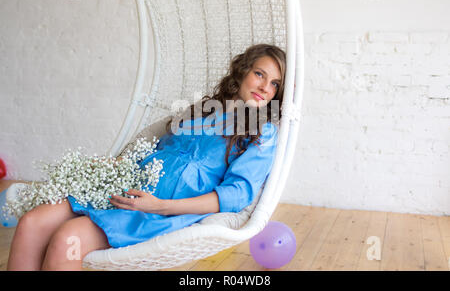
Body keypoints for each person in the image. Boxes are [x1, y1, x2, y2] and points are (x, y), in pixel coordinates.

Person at [7, 44, 286, 271]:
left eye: (274, 84)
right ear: (242, 72)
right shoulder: (206, 111)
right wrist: (116, 167)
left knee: (68, 239)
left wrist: (162, 206)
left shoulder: (262, 133)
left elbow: (237, 194)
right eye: (260, 74)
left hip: (159, 209)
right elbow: (160, 149)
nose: (265, 87)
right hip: (127, 186)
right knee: (33, 222)